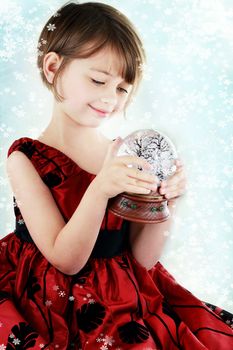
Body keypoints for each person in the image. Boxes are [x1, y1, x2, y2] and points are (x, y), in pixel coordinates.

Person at [1, 1, 232, 349]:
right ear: (53, 67)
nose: (111, 98)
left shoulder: (123, 154)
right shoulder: (25, 159)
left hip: (124, 295)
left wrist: (165, 203)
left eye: (123, 89)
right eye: (98, 80)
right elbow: (66, 259)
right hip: (52, 300)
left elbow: (143, 259)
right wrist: (100, 188)